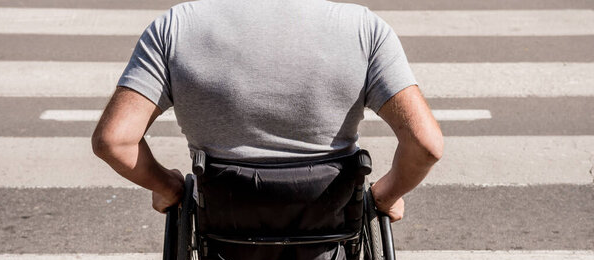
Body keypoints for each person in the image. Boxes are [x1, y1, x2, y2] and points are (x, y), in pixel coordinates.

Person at [92, 0, 443, 222]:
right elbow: (426, 144)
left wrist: (167, 185)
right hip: (327, 217)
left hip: (226, 217)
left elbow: (114, 141)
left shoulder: (175, 27)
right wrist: (387, 194)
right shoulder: (365, 30)